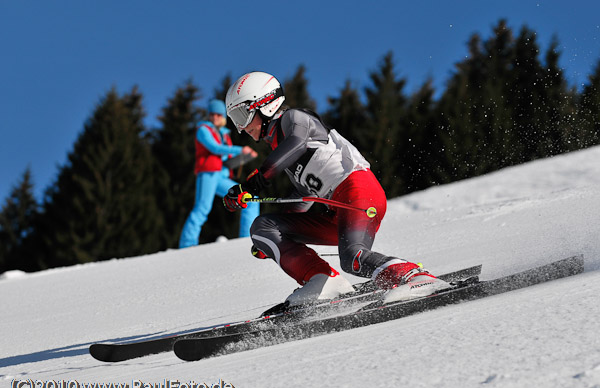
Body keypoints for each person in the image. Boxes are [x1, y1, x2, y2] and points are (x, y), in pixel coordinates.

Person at [222, 72, 449, 305]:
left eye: (242, 115)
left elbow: (296, 143)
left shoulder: (294, 119)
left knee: (353, 257)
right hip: (339, 211)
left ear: (265, 103)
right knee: (263, 227)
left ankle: (415, 276)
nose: (241, 128)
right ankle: (324, 281)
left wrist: (254, 182)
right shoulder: (283, 150)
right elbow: (303, 197)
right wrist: (270, 242)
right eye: (235, 120)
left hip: (358, 190)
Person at [179, 99, 259, 248]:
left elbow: (226, 159)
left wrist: (243, 157)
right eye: (212, 114)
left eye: (218, 114)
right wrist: (240, 150)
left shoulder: (225, 134)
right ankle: (187, 245)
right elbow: (214, 148)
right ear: (209, 115)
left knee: (249, 199)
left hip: (222, 176)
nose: (215, 117)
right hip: (208, 174)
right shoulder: (203, 130)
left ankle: (247, 239)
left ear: (223, 116)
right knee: (202, 208)